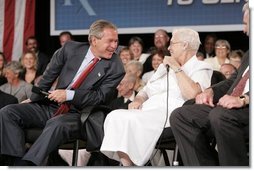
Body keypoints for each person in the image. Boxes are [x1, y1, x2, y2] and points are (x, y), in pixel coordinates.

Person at [0, 19, 125, 166]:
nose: (114, 46)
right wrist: (34, 98)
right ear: (94, 40)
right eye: (110, 41)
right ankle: (14, 162)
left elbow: (99, 98)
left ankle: (28, 166)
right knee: (8, 112)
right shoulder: (70, 49)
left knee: (56, 123)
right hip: (52, 106)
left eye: (116, 41)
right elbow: (48, 76)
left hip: (81, 115)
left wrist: (68, 95)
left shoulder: (116, 67)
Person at [100, 28, 213, 166]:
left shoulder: (201, 67)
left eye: (172, 43)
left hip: (172, 115)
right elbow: (145, 90)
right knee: (115, 116)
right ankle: (127, 165)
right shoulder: (164, 67)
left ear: (184, 45)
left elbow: (194, 95)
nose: (169, 47)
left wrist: (176, 67)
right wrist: (138, 100)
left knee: (125, 119)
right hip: (148, 109)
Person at [170, 2, 249, 166]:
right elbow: (232, 81)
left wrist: (243, 99)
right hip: (230, 107)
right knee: (180, 115)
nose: (244, 29)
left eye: (246, 24)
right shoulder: (250, 53)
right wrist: (210, 91)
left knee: (220, 116)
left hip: (246, 107)